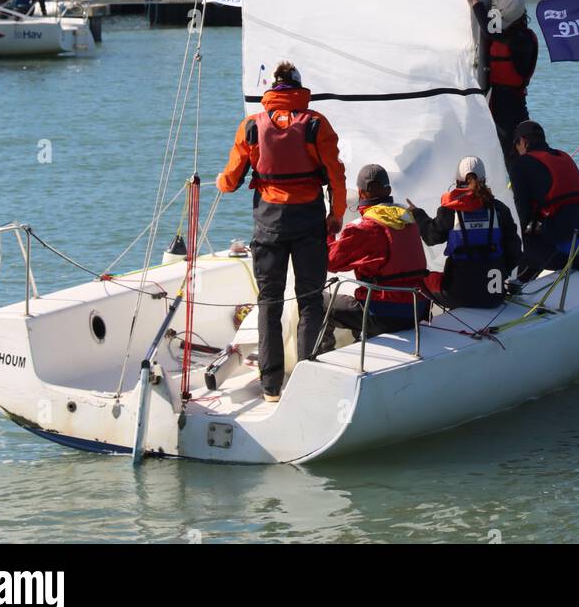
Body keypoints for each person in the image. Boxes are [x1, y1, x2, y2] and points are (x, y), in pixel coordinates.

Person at [217, 60, 346, 402]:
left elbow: (230, 181)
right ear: (298, 88)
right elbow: (335, 174)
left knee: (269, 302)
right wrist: (337, 214)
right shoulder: (317, 125)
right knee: (309, 301)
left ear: (272, 89)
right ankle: (308, 378)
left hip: (269, 225)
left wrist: (219, 181)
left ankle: (271, 386)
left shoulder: (251, 127)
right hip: (308, 222)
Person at [323, 165, 429, 344]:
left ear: (360, 193)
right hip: (417, 309)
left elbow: (329, 262)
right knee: (365, 291)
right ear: (388, 190)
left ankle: (319, 359)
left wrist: (328, 231)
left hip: (385, 314)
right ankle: (361, 341)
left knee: (315, 302)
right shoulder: (408, 219)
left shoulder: (366, 227)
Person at [408, 156, 521, 309]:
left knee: (421, 280)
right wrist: (502, 273)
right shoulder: (500, 210)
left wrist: (417, 214)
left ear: (457, 181)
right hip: (494, 297)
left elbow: (430, 237)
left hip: (457, 296)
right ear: (484, 179)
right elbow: (514, 252)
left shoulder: (450, 210)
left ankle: (424, 322)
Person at [464, 0, 538, 164]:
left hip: (511, 102)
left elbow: (492, 32)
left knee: (515, 147)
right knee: (507, 146)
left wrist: (475, 2)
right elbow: (492, 30)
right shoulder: (510, 32)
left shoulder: (522, 40)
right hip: (499, 98)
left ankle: (520, 187)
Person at [509, 121, 579, 281]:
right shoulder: (564, 157)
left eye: (516, 145)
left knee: (511, 237)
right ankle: (525, 279)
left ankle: (511, 286)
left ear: (523, 142)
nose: (516, 150)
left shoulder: (521, 164)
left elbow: (522, 216)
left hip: (560, 256)